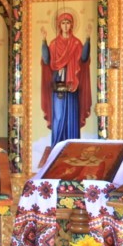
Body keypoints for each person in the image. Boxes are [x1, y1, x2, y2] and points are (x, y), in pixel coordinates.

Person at [41, 9, 92, 145]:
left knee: (71, 117)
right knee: (58, 116)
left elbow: (84, 59)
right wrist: (44, 41)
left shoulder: (76, 43)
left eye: (68, 23)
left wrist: (88, 39)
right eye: (63, 23)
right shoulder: (54, 44)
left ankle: (72, 145)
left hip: (72, 85)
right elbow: (46, 60)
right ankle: (57, 146)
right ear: (59, 25)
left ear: (71, 25)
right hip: (58, 84)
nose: (65, 26)